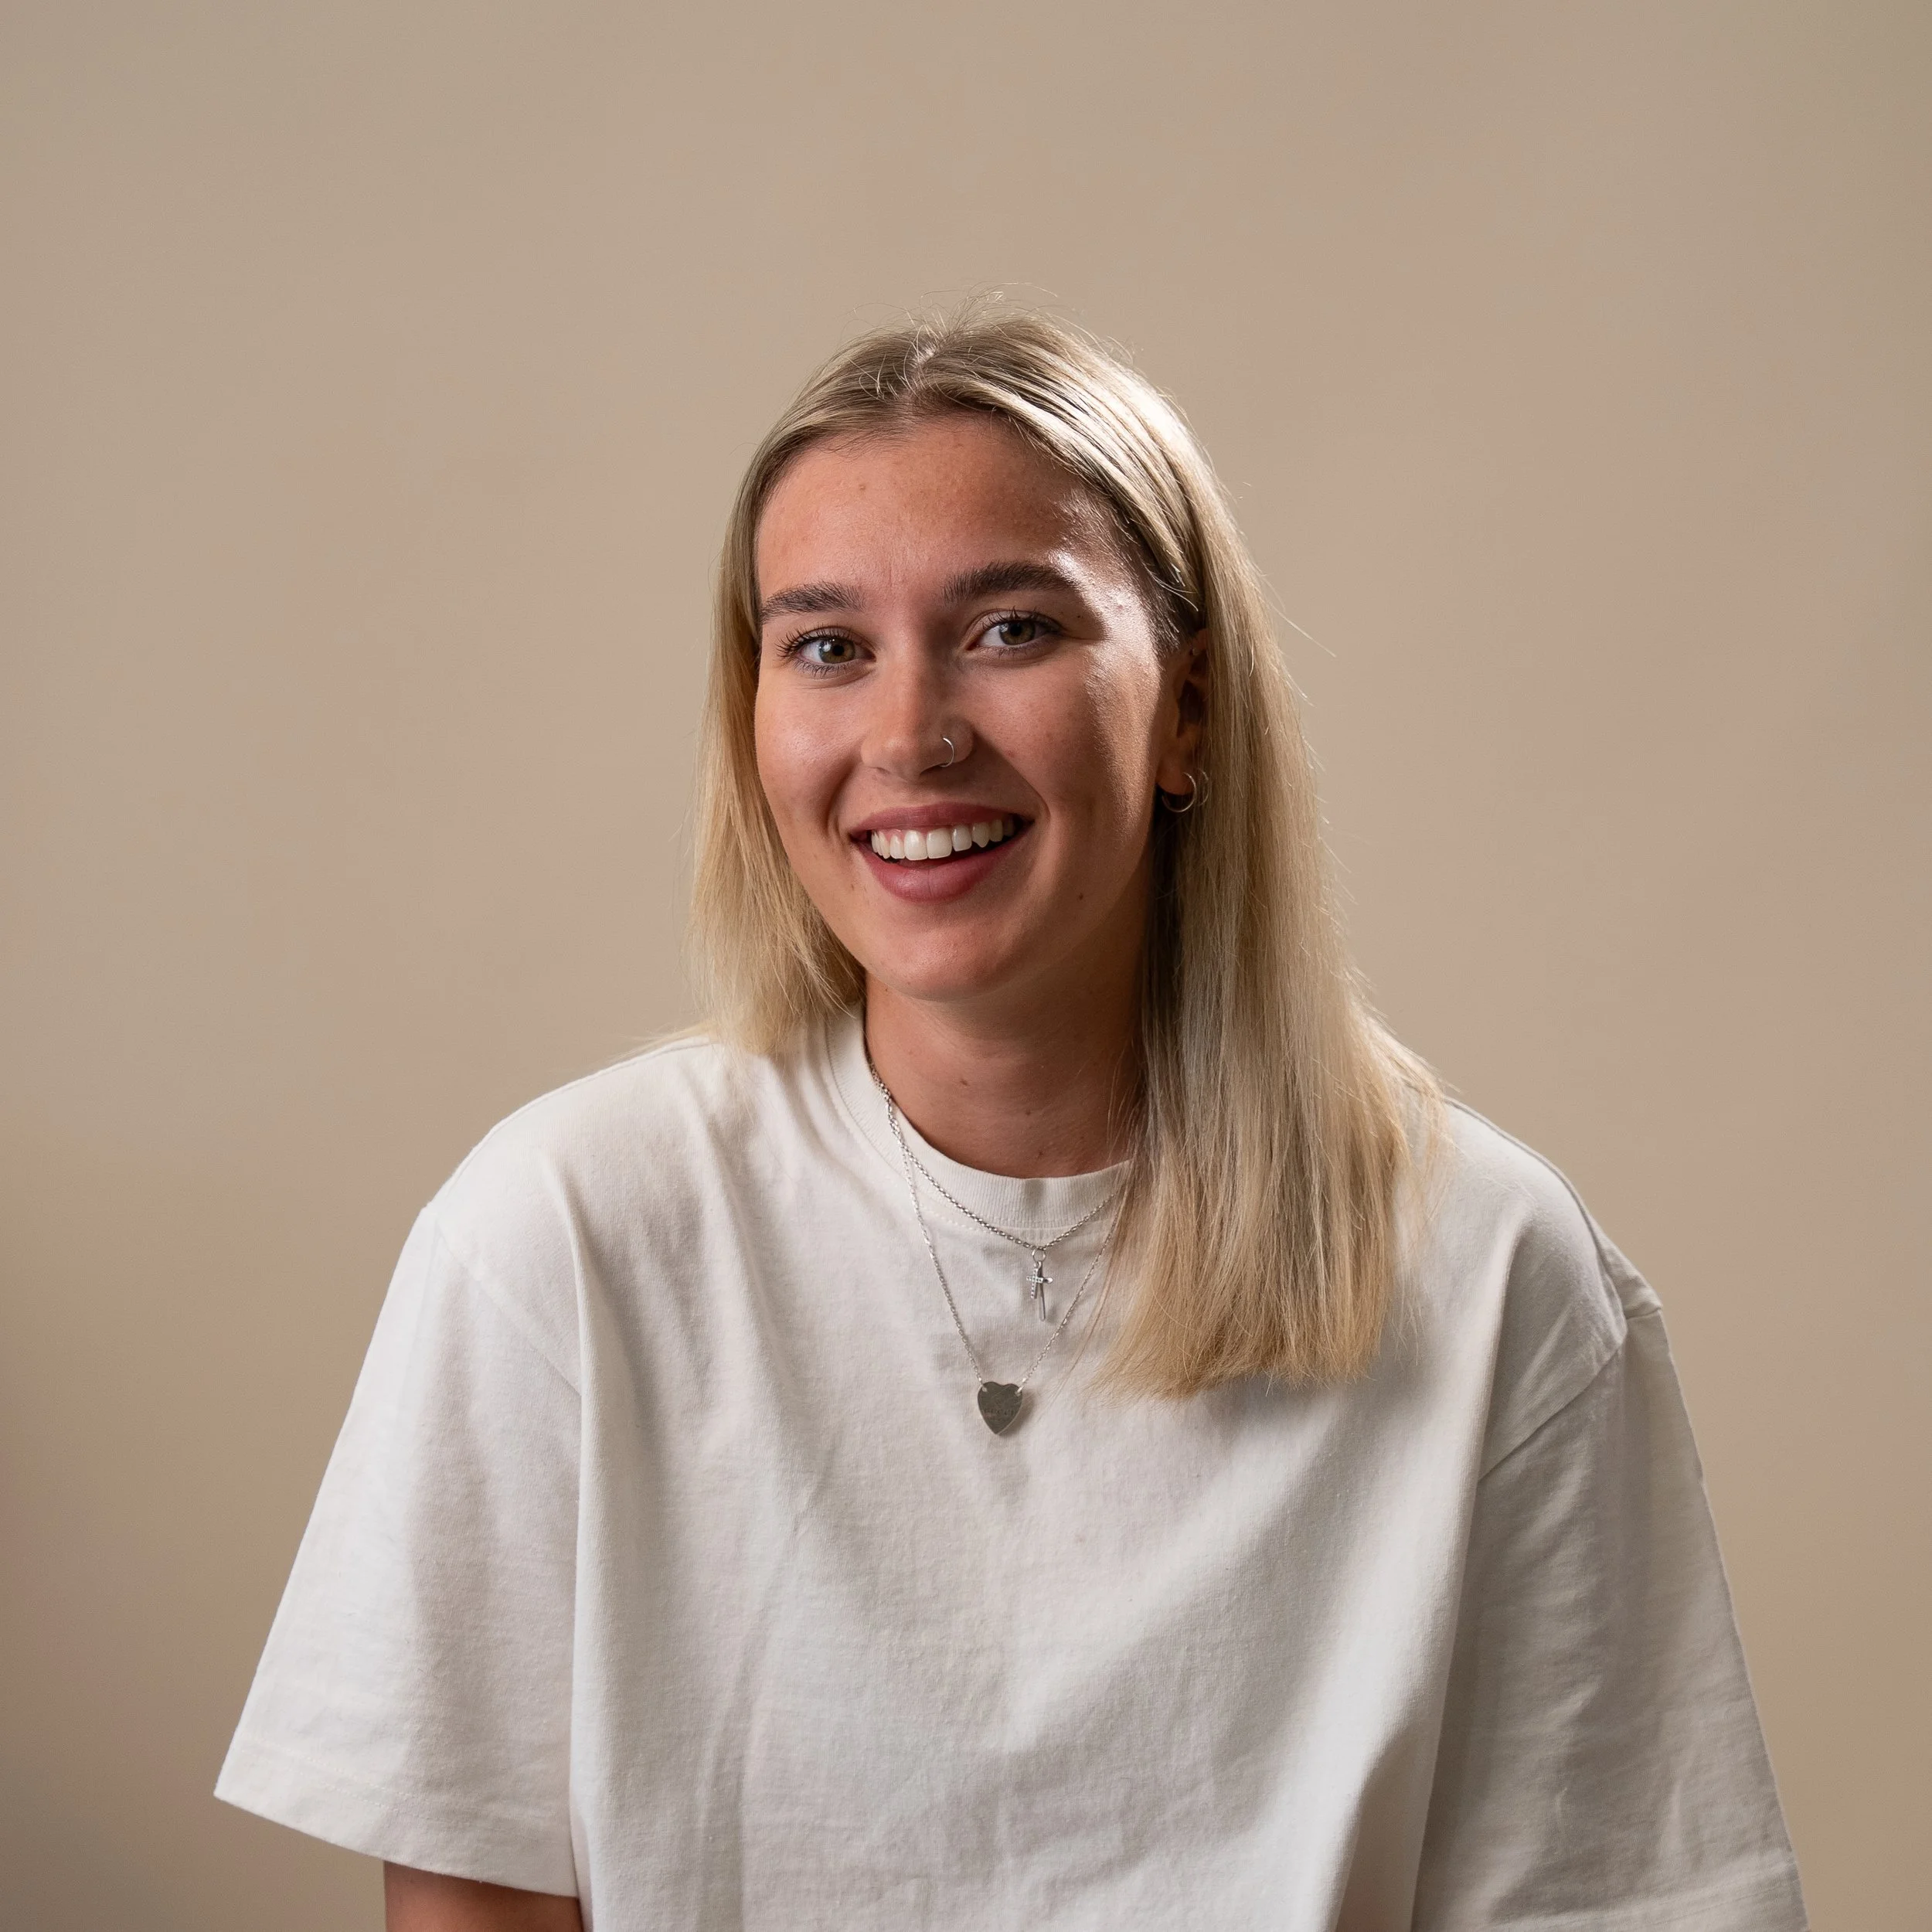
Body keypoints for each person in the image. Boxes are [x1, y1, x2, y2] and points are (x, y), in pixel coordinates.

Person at [217, 310, 1807, 1931]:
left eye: (1009, 629)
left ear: (1188, 709)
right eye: (827, 647)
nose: (910, 736)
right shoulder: (559, 1237)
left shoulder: (1491, 1274)